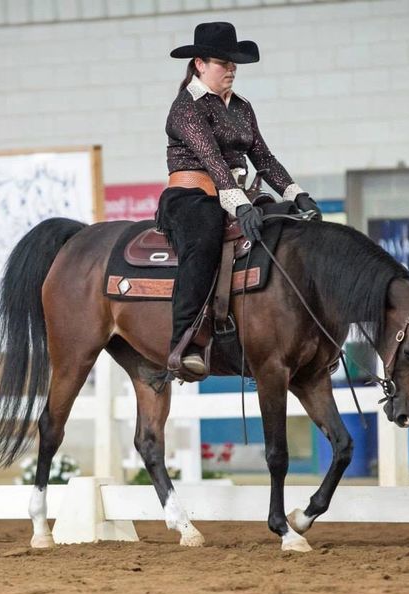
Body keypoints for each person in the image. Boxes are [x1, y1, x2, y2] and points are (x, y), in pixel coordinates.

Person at [156, 21, 319, 377]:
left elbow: (263, 157)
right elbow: (212, 159)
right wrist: (239, 204)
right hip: (191, 195)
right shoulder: (186, 107)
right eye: (222, 62)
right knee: (203, 240)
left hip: (236, 193)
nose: (231, 69)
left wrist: (297, 194)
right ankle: (184, 342)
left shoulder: (242, 107)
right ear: (199, 63)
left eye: (233, 63)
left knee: (282, 221)